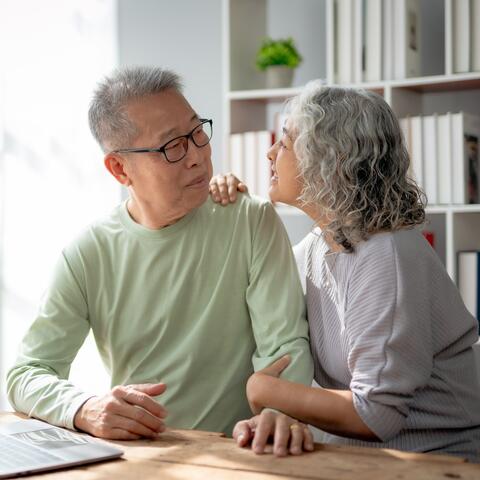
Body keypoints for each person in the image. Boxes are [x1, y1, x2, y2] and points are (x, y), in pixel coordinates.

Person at [6, 66, 315, 456]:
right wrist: (85, 408)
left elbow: (284, 345)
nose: (198, 157)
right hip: (140, 459)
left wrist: (280, 412)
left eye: (197, 132)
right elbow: (27, 373)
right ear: (120, 169)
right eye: (173, 147)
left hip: (240, 454)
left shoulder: (250, 220)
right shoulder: (88, 253)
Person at [211, 82, 480, 462]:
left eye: (285, 143)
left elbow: (377, 415)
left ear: (328, 160)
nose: (271, 153)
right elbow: (250, 287)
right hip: (354, 459)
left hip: (435, 462)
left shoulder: (388, 256)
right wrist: (221, 208)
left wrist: (263, 390)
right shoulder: (320, 245)